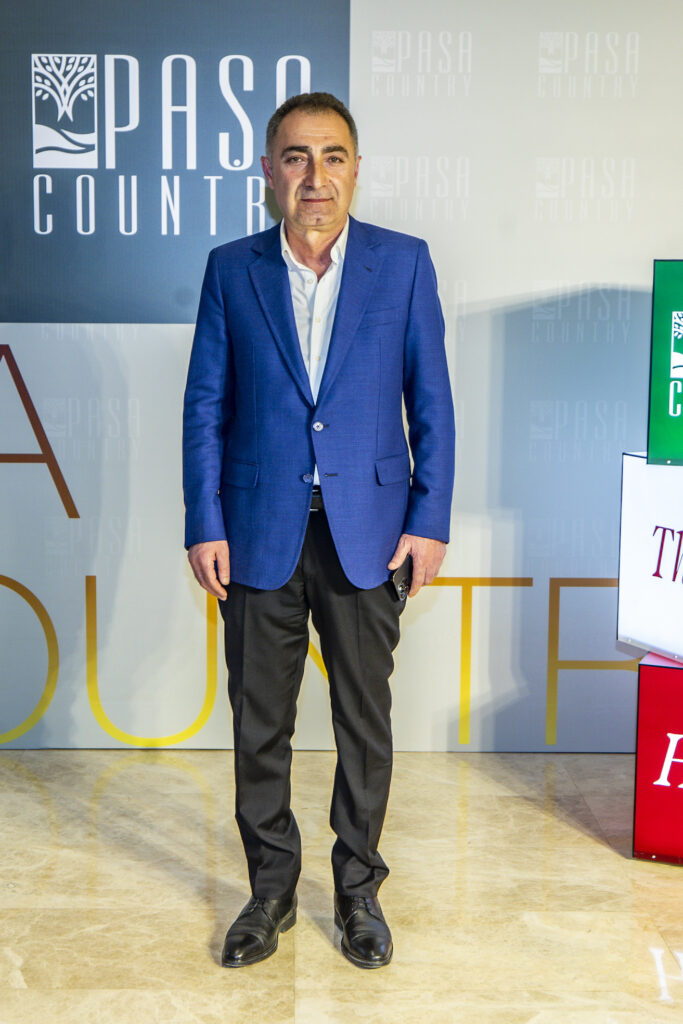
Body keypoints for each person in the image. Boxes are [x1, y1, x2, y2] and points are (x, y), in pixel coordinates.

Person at [183, 92, 455, 969]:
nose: (315, 176)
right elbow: (205, 406)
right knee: (258, 725)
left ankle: (358, 892)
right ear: (269, 171)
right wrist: (203, 520)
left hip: (367, 533)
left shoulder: (402, 264)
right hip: (256, 530)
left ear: (355, 169)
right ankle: (269, 893)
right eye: (296, 157)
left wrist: (428, 519)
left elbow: (431, 402)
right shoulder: (231, 269)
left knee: (362, 724)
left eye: (332, 156)